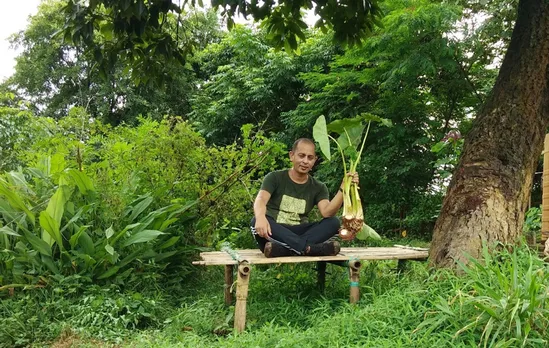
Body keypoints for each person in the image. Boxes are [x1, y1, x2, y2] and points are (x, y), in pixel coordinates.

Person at [251, 138, 359, 258]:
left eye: (310, 157)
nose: (305, 161)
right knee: (255, 220)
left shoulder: (318, 187)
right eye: (301, 156)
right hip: (276, 231)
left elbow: (327, 213)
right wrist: (260, 217)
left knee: (333, 222)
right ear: (291, 156)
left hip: (302, 231)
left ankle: (289, 250)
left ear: (314, 160)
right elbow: (260, 200)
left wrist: (343, 189)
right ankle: (308, 248)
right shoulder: (274, 178)